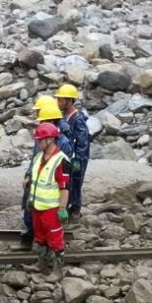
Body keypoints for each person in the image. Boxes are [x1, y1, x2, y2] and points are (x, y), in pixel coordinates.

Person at [18, 96, 70, 248]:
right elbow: (35, 160)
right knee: (35, 225)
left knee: (53, 236)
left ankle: (54, 266)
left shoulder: (63, 144)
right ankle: (34, 244)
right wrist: (28, 175)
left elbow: (65, 179)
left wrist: (63, 207)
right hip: (38, 194)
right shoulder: (42, 140)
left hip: (52, 201)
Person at [27, 121, 70, 273]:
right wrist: (30, 199)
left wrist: (62, 208)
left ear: (50, 139)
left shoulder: (61, 160)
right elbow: (35, 180)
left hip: (51, 209)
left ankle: (58, 271)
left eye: (40, 140)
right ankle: (41, 264)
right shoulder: (39, 157)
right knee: (40, 237)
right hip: (37, 207)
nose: (38, 142)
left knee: (55, 239)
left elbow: (64, 188)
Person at [56, 85, 91, 218]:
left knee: (75, 182)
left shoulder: (77, 119)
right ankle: (69, 206)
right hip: (68, 157)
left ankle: (75, 209)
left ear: (69, 101)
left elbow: (82, 143)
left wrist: (77, 160)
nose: (58, 103)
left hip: (76, 159)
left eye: (60, 100)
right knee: (68, 182)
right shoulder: (66, 117)